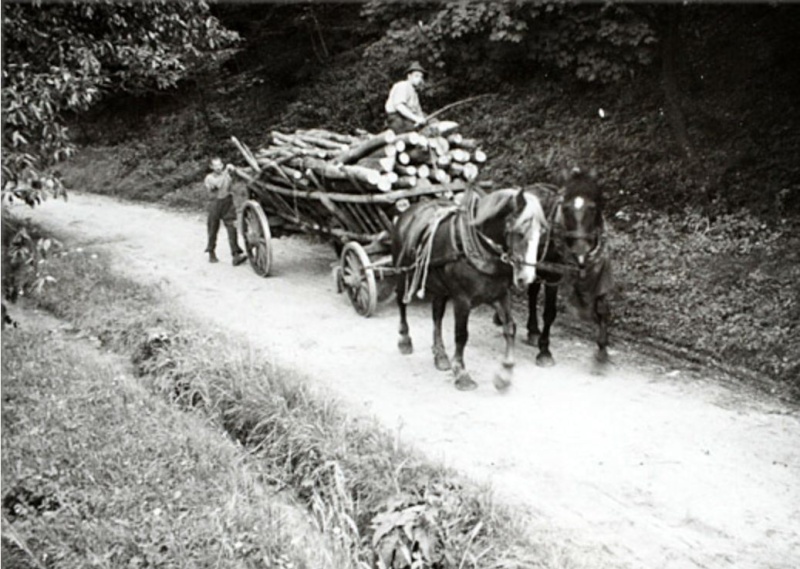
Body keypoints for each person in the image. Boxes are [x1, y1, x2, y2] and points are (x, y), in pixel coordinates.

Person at [204, 157, 247, 265]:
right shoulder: (209, 178)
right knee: (213, 228)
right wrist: (226, 171)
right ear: (211, 167)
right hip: (215, 204)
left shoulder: (227, 174)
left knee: (232, 228)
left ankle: (236, 254)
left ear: (222, 165)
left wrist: (234, 169)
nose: (218, 167)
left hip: (228, 203)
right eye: (215, 165)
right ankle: (211, 252)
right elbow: (218, 185)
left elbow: (237, 178)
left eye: (220, 165)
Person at [385, 61, 428, 134]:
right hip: (397, 118)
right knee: (411, 133)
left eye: (421, 77)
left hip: (407, 119)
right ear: (409, 76)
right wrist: (416, 119)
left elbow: (418, 111)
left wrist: (422, 119)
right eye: (416, 76)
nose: (419, 79)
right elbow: (399, 106)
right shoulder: (403, 86)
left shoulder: (414, 92)